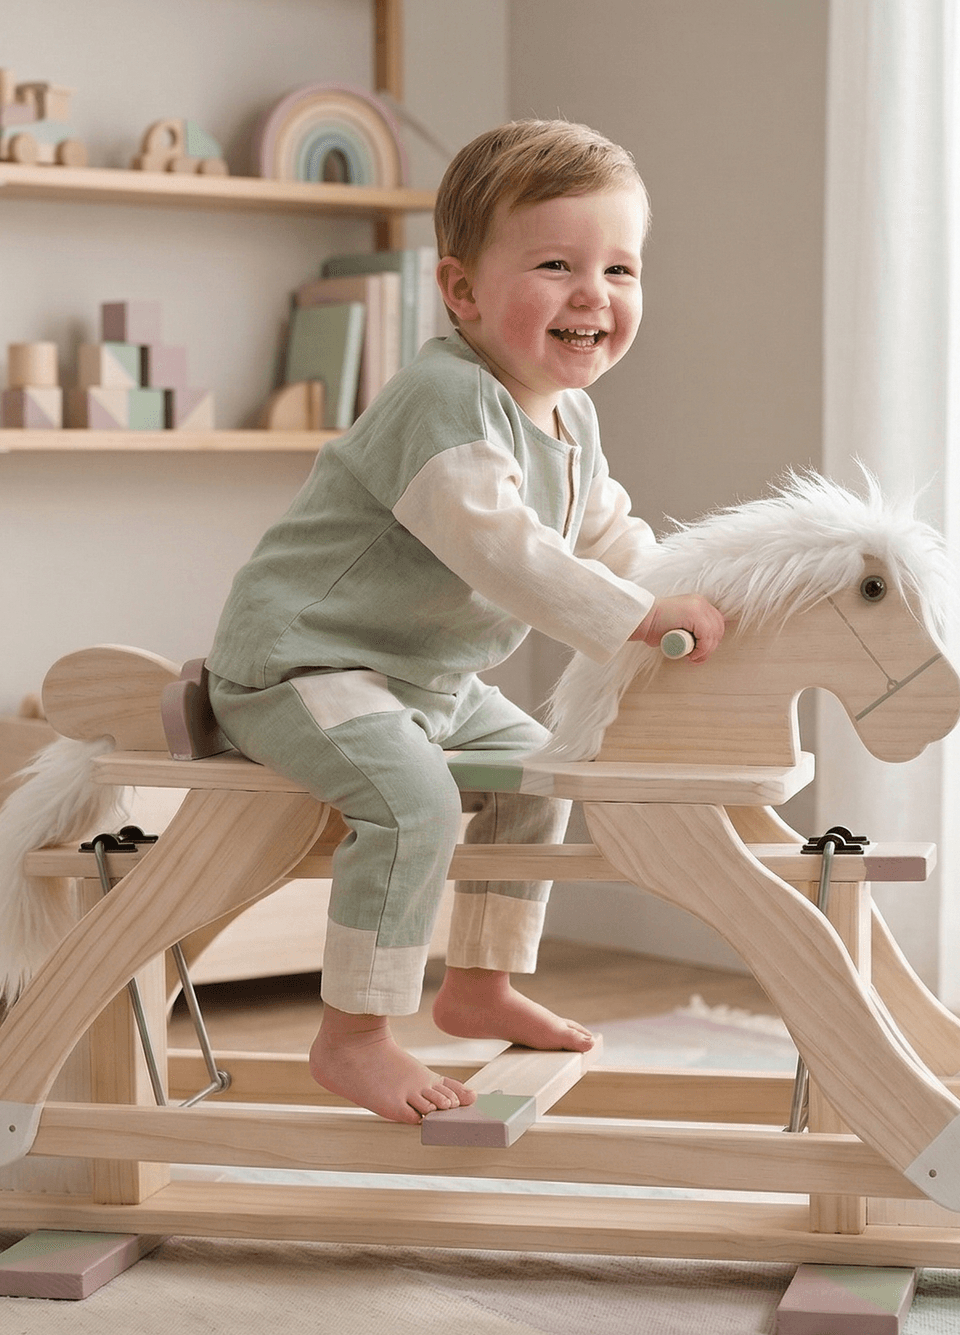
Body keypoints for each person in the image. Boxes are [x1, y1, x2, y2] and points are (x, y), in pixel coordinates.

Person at [205, 120, 726, 1123]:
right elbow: (502, 548)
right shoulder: (445, 398)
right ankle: (353, 1033)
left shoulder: (568, 416)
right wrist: (637, 617)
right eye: (556, 264)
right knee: (414, 809)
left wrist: (689, 594)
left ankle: (480, 982)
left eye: (621, 268)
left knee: (547, 768)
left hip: (428, 682)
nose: (594, 294)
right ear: (463, 292)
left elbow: (604, 531)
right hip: (306, 663)